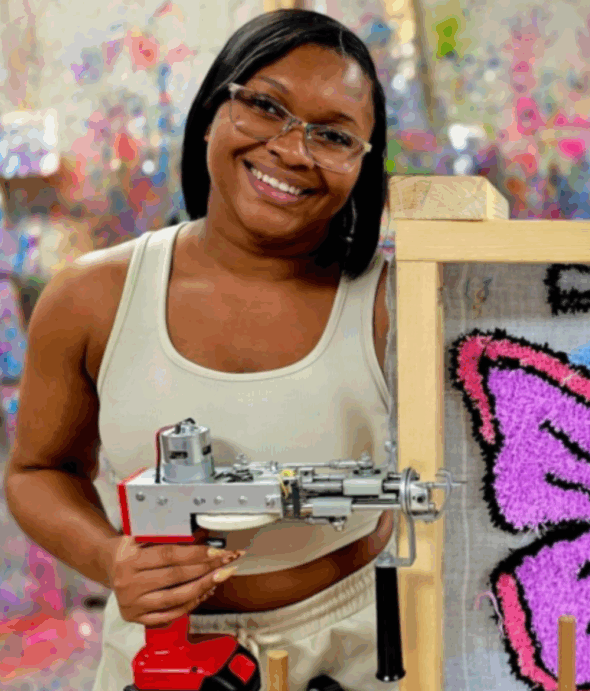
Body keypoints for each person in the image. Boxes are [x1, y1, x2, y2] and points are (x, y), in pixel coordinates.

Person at [4, 9, 397, 691]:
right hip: (161, 654)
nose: (293, 149)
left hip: (353, 653)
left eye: (333, 135)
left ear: (363, 165)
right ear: (213, 109)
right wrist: (114, 558)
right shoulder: (91, 297)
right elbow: (37, 470)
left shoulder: (395, 302)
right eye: (267, 106)